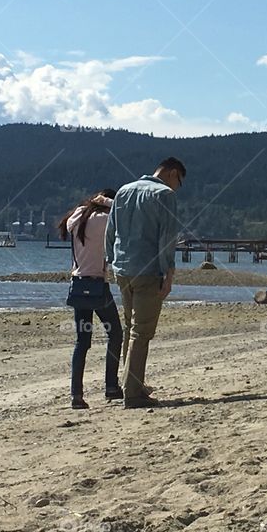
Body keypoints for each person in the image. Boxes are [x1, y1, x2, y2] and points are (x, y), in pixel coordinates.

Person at [105, 157, 185, 409]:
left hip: (123, 268)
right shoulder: (165, 195)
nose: (177, 188)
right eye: (179, 182)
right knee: (141, 333)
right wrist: (168, 273)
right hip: (148, 270)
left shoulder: (124, 191)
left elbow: (111, 231)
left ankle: (133, 384)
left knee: (131, 328)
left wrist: (111, 261)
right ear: (172, 173)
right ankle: (133, 393)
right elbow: (166, 238)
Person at [58, 189, 124, 409]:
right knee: (115, 333)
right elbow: (120, 211)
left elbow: (68, 221)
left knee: (82, 341)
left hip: (78, 286)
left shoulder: (78, 217)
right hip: (98, 287)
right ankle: (111, 386)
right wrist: (107, 201)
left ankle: (76, 394)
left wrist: (93, 200)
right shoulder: (106, 219)